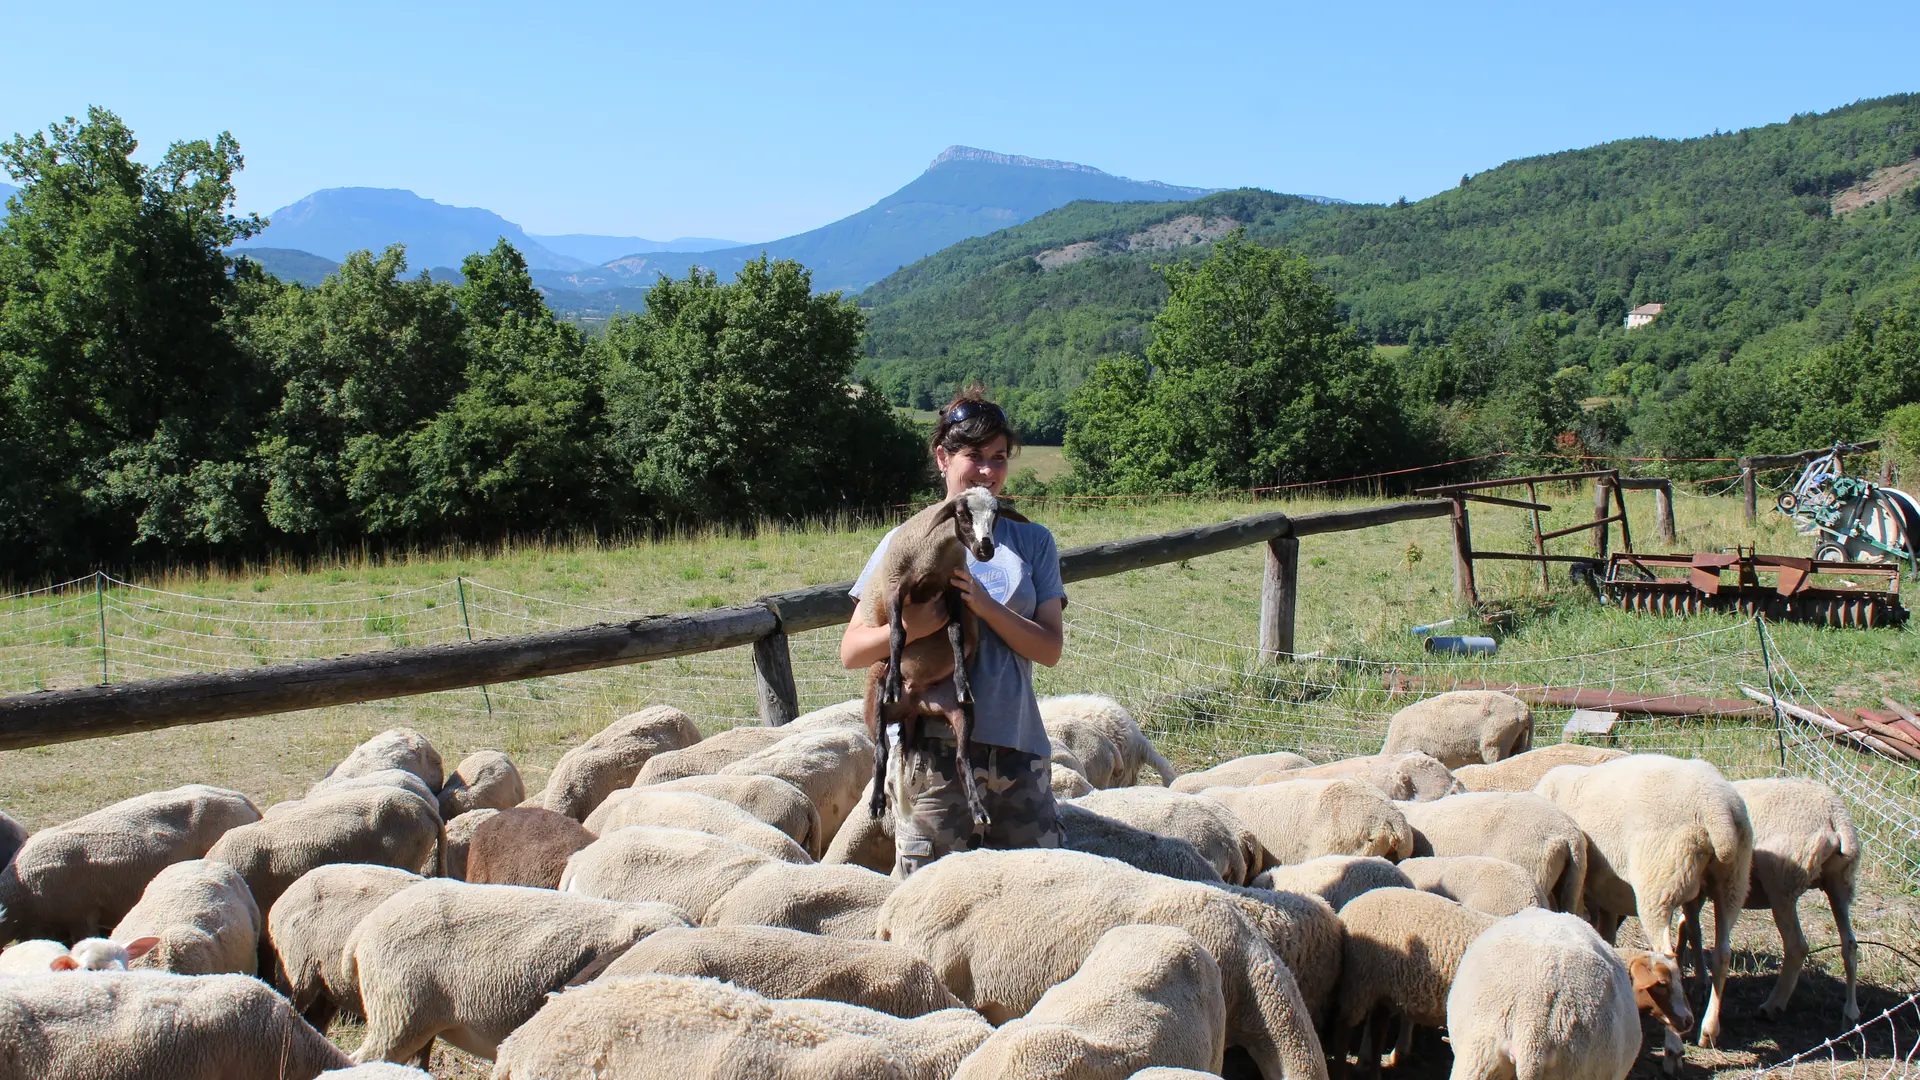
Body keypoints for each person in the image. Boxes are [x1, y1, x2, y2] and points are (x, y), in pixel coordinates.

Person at [840, 390, 1066, 877]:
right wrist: (911, 626)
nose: (988, 471)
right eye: (975, 457)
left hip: (1019, 751)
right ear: (943, 458)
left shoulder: (1031, 541)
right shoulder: (902, 543)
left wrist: (984, 608)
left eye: (999, 458)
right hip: (932, 761)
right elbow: (852, 651)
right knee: (930, 913)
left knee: (1033, 905)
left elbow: (1049, 649)